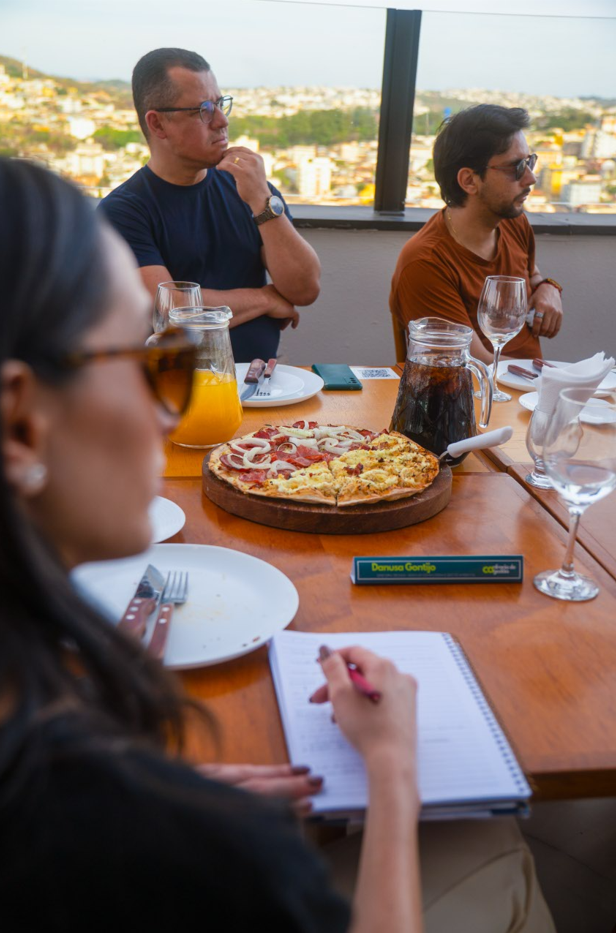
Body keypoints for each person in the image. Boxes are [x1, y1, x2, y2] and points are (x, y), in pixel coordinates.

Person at [0, 159, 554, 932]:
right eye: (152, 358)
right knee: (495, 841)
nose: (176, 406)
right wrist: (393, 765)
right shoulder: (127, 827)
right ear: (22, 423)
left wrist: (146, 780)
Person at [99, 47, 320, 362]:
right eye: (202, 109)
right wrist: (265, 299)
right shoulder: (123, 211)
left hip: (261, 387)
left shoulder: (250, 189)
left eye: (219, 104)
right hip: (175, 396)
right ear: (158, 125)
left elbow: (305, 289)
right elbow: (169, 309)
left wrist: (262, 199)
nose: (221, 121)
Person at [390, 105, 564, 364]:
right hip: (486, 396)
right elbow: (475, 367)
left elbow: (532, 275)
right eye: (516, 167)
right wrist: (557, 383)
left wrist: (549, 287)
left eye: (530, 162)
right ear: (469, 181)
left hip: (532, 391)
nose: (531, 178)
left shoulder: (513, 222)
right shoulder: (426, 263)